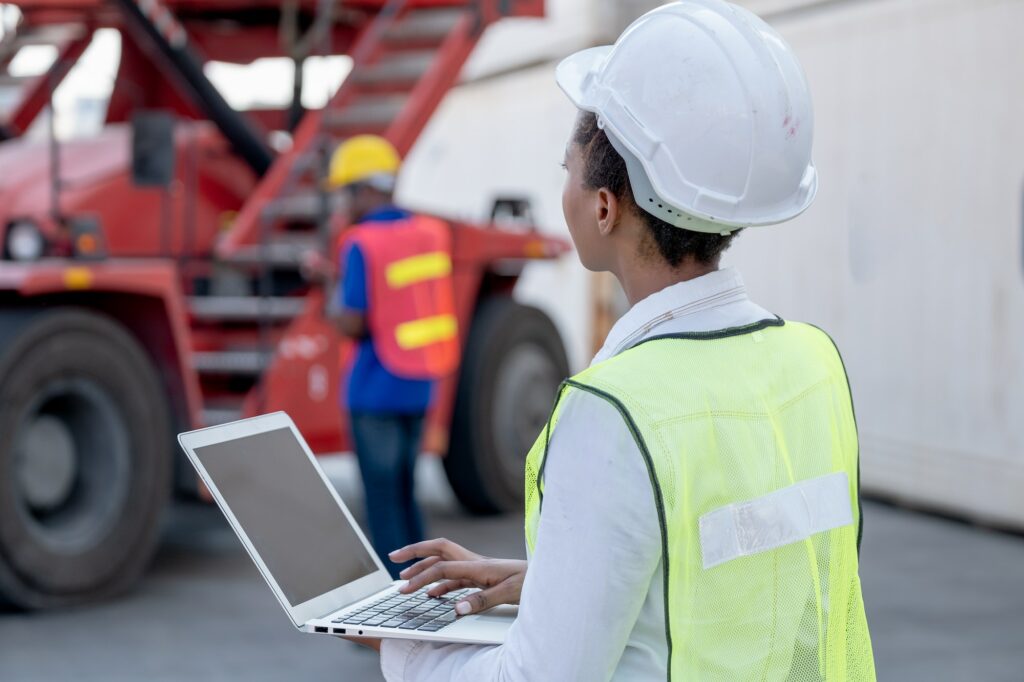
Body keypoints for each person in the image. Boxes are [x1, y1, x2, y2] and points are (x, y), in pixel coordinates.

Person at [347, 1, 876, 679]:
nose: (563, 185)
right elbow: (738, 568)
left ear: (604, 206)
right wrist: (551, 582)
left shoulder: (615, 411)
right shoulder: (813, 361)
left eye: (568, 167)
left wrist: (399, 641)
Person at [328, 134, 459, 579]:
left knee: (382, 503)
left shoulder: (361, 242)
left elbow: (354, 321)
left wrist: (328, 292)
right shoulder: (430, 232)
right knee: (406, 493)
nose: (344, 204)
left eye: (347, 192)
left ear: (366, 189)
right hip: (419, 386)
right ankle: (424, 589)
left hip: (374, 392)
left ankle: (393, 608)